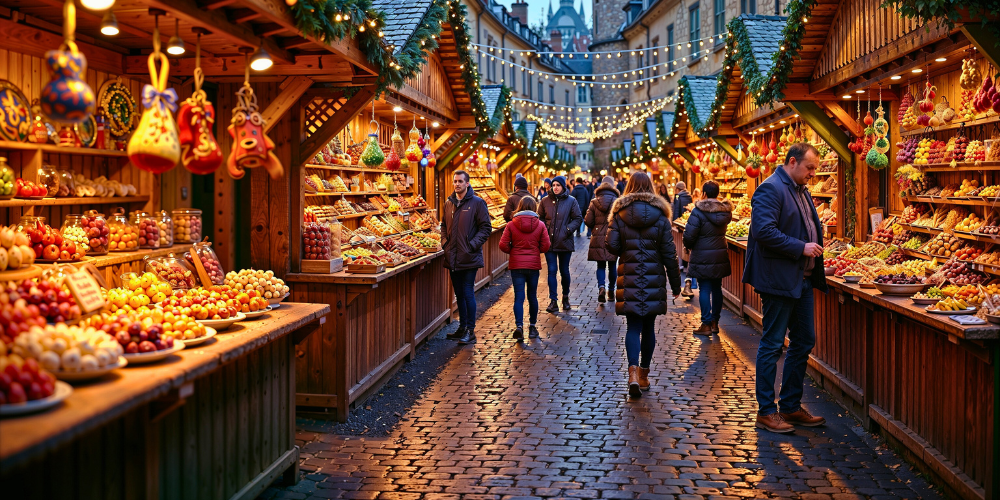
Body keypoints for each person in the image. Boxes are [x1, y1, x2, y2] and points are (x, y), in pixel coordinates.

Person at [744, 143, 828, 433]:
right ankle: (767, 411)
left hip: (801, 280)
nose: (813, 174)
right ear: (792, 162)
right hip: (779, 280)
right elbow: (763, 232)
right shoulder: (771, 188)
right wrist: (801, 246)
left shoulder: (800, 190)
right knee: (772, 343)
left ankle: (790, 405)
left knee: (804, 340)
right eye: (810, 168)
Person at [606, 172, 683, 399]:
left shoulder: (619, 214)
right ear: (650, 188)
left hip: (629, 274)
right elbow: (669, 253)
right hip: (653, 277)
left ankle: (631, 373)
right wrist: (676, 285)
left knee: (633, 327)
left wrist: (625, 247)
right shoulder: (660, 216)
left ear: (629, 186)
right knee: (649, 327)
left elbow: (611, 246)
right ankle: (644, 375)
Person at [441, 169, 494, 344]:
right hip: (453, 256)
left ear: (467, 183)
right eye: (455, 181)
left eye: (460, 181)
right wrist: (444, 243)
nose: (457, 184)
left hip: (469, 257)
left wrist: (471, 245)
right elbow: (443, 226)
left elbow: (486, 228)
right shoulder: (448, 203)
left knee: (468, 293)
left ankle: (470, 330)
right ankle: (462, 327)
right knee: (459, 294)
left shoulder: (477, 203)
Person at [683, 181, 733, 335]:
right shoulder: (725, 212)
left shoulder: (698, 211)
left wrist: (688, 245)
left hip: (702, 256)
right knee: (717, 288)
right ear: (717, 193)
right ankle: (715, 322)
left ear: (704, 193)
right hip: (719, 255)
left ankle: (705, 324)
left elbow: (689, 236)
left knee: (704, 288)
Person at [499, 196, 550, 340]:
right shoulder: (540, 225)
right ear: (534, 207)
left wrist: (514, 251)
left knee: (519, 296)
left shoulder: (511, 224)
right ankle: (532, 327)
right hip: (533, 265)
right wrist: (535, 251)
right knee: (532, 296)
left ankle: (519, 326)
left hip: (517, 266)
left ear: (519, 207)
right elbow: (546, 246)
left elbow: (502, 244)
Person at [538, 176, 583, 312]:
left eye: (558, 185)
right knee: (552, 271)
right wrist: (544, 231)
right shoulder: (545, 201)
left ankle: (565, 297)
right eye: (554, 185)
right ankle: (553, 301)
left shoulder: (571, 201)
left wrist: (567, 230)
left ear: (563, 186)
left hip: (565, 241)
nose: (555, 187)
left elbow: (578, 218)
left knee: (564, 271)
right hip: (549, 242)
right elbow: (539, 218)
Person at [585, 176, 620, 303]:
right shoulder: (618, 202)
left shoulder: (594, 202)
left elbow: (588, 221)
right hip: (613, 237)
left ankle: (601, 287)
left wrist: (596, 227)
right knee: (612, 265)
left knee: (600, 265)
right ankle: (611, 290)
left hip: (598, 237)